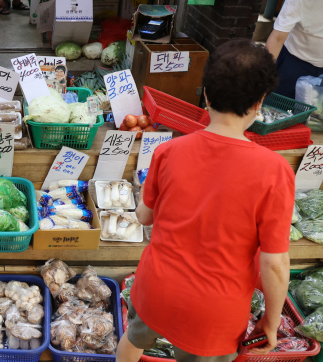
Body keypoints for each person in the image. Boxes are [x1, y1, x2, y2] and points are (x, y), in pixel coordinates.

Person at [116, 39, 293, 362]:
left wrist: (147, 195)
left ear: (206, 95)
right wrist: (271, 318)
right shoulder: (275, 171)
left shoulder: (169, 151)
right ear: (260, 102)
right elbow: (275, 263)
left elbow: (144, 216)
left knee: (134, 338)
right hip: (216, 308)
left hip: (157, 288)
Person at [265, 0, 323, 99]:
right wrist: (263, 76)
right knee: (276, 108)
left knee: (317, 113)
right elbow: (277, 38)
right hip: (294, 62)